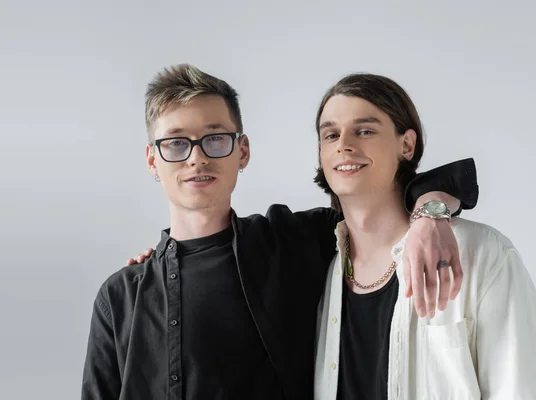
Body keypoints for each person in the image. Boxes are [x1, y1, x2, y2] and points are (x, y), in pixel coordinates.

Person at [81, 64, 479, 399]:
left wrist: (431, 214)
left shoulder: (294, 241)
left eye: (215, 138)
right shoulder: (121, 297)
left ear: (243, 151)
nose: (196, 157)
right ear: (153, 160)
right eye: (176, 143)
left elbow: (379, 196)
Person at [313, 73, 536, 399]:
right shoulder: (323, 269)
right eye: (330, 135)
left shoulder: (480, 254)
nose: (344, 144)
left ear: (407, 144)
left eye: (365, 130)